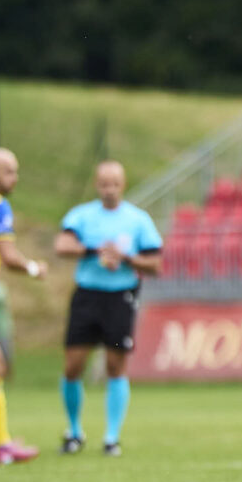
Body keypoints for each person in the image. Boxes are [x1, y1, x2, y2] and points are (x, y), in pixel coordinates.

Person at [53, 161, 163, 456]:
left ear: (123, 185)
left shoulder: (137, 220)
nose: (109, 190)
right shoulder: (82, 216)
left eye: (114, 184)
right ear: (96, 185)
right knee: (73, 365)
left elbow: (155, 264)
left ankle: (111, 437)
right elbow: (62, 245)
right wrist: (94, 251)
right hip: (87, 297)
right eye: (104, 184)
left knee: (116, 366)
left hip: (119, 299)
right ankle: (74, 431)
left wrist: (125, 258)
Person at [0, 148, 47, 465]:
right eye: (9, 172)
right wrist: (34, 268)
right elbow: (8, 256)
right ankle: (3, 446)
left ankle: (3, 445)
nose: (15, 178)